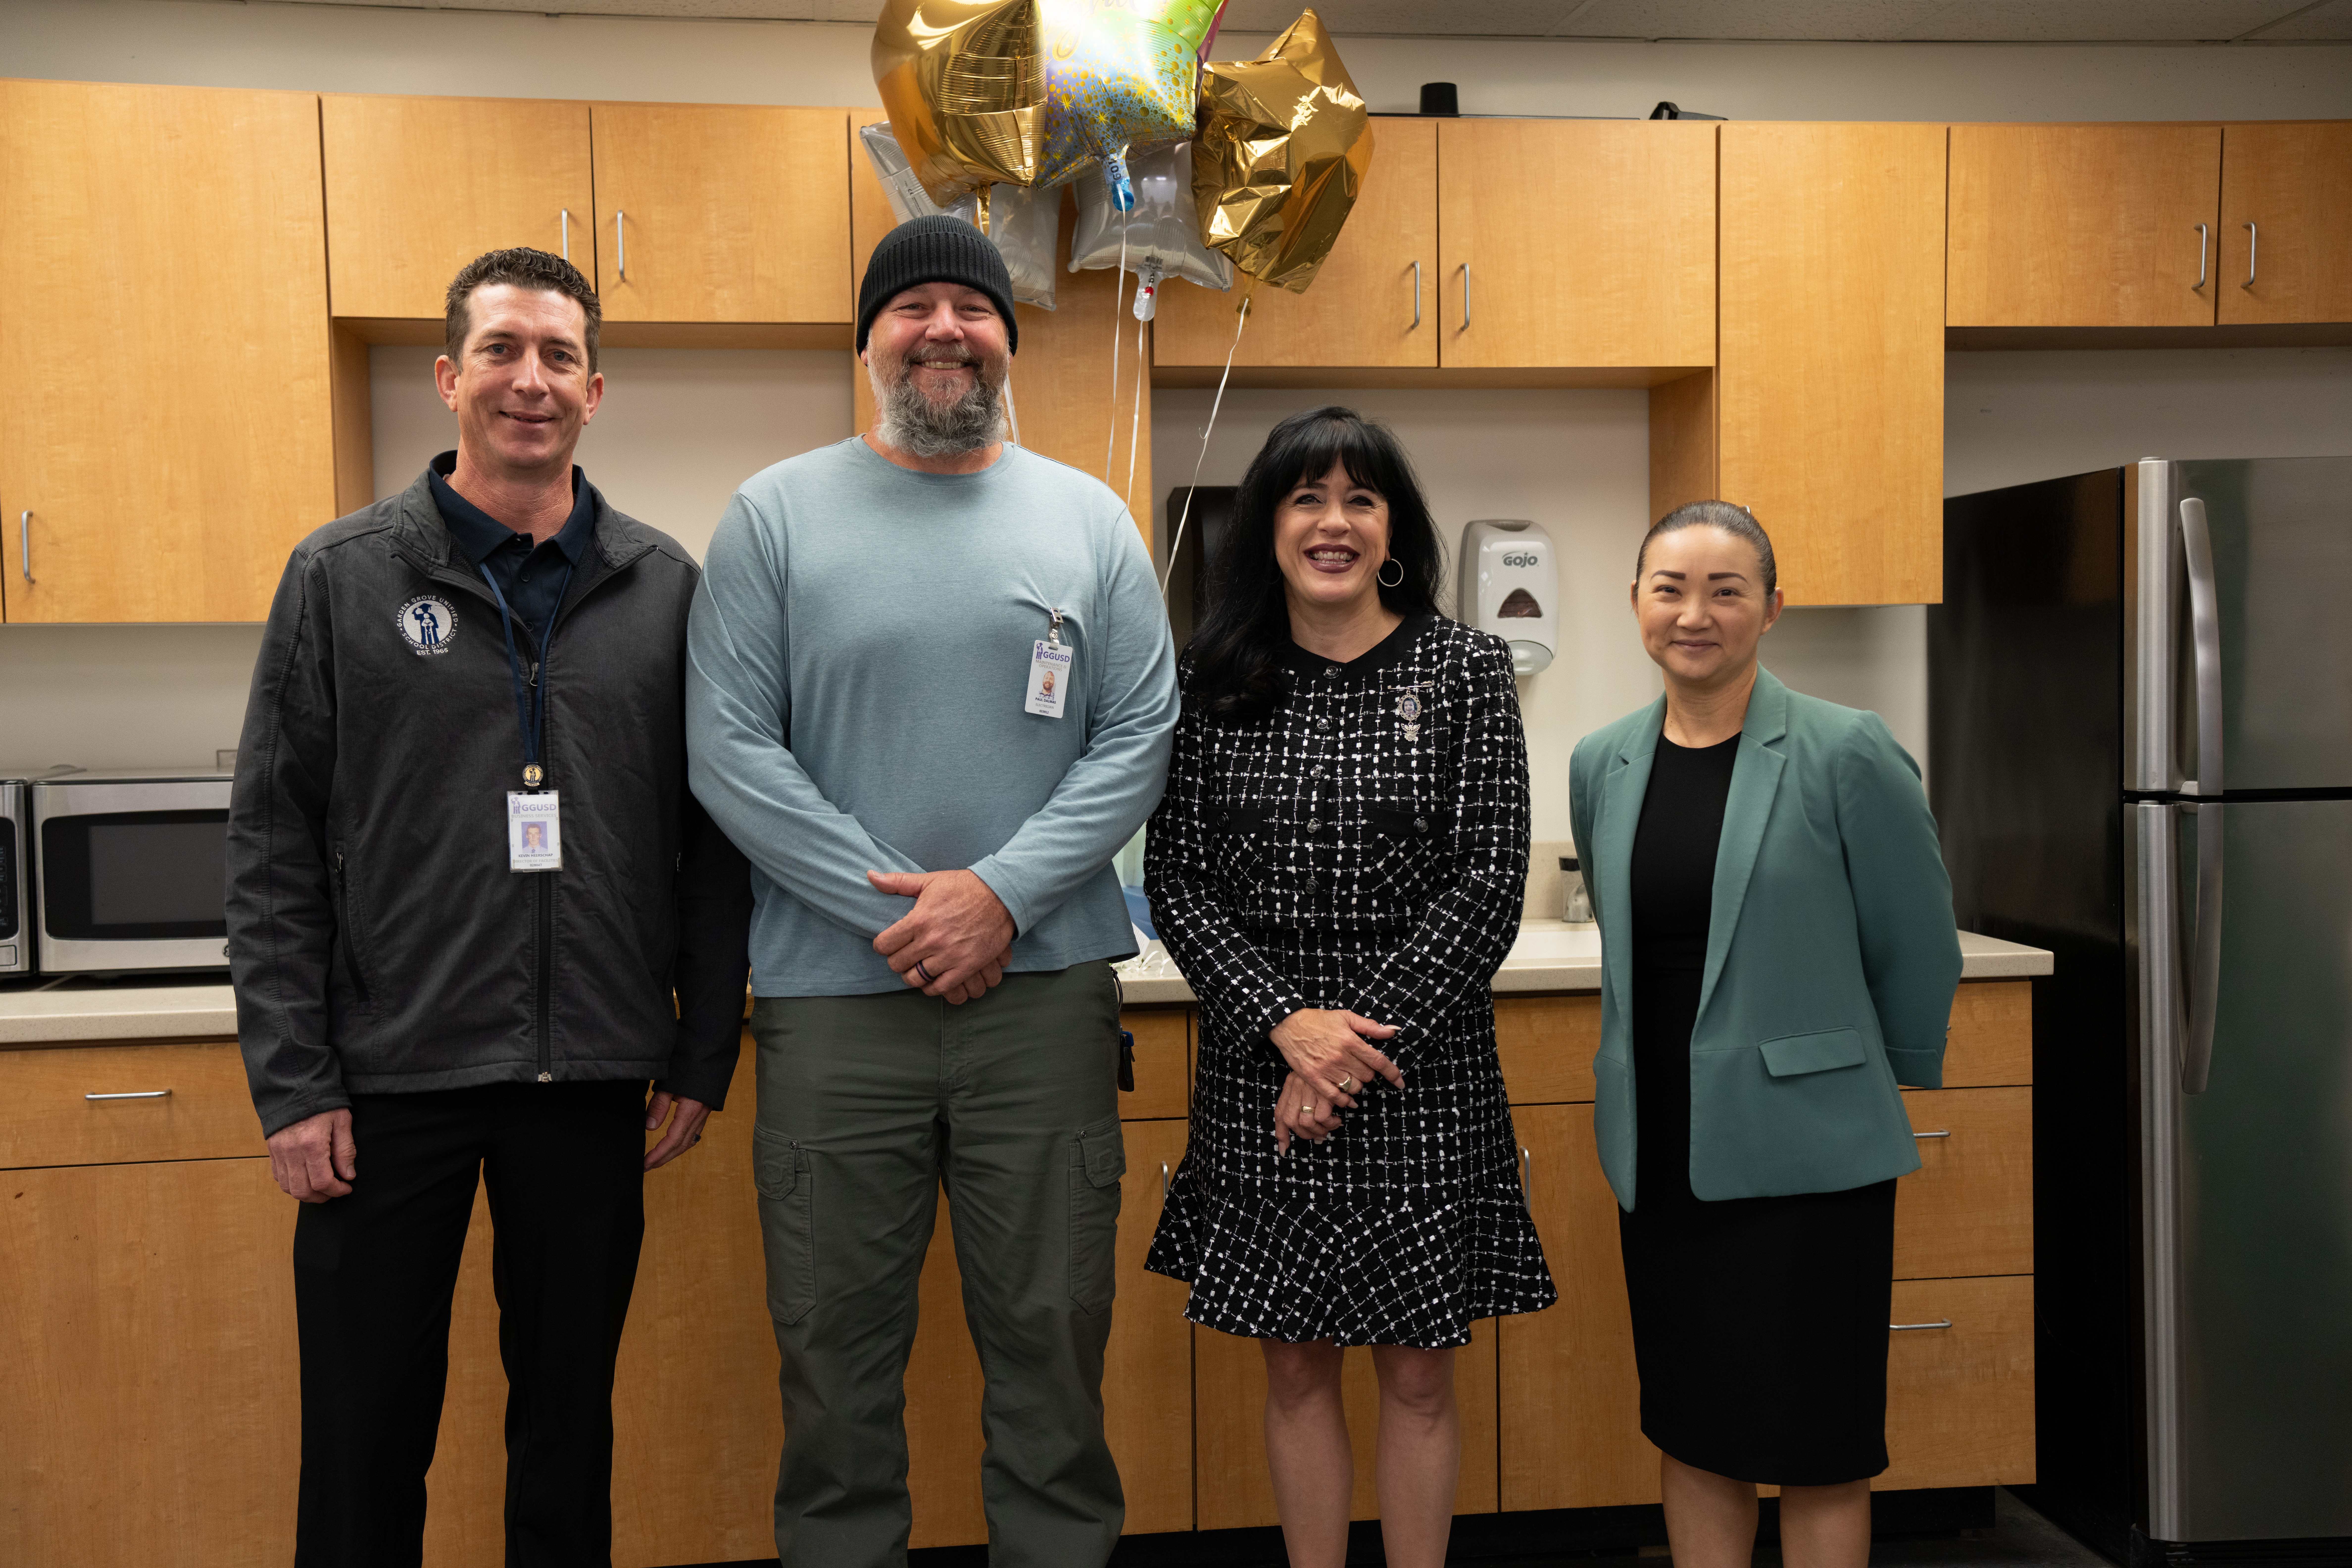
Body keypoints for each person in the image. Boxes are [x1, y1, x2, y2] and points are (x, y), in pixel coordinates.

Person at [225, 247, 752, 1568]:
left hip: (590, 1079)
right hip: (383, 1081)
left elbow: (711, 838)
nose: (532, 380)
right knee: (363, 1433)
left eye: (559, 355)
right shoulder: (341, 577)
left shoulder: (663, 586)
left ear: (595, 389)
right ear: (450, 377)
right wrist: (293, 1086)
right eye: (505, 351)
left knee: (568, 1431)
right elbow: (273, 844)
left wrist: (700, 1047)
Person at [685, 215, 1179, 1568]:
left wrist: (1002, 898)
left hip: (1043, 1007)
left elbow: (1139, 736)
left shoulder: (1090, 519)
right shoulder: (774, 516)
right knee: (835, 1360)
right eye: (914, 311)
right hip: (836, 1010)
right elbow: (730, 752)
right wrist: (910, 913)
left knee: (1054, 1344)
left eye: (974, 307)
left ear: (1010, 342)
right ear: (870, 343)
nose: (945, 329)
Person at [1144, 407, 1555, 1568]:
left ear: (1393, 532)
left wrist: (1345, 1055)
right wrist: (1288, 1029)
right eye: (1306, 498)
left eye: (1360, 500)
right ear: (1268, 526)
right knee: (1293, 1364)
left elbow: (1487, 881)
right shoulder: (1212, 676)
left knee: (1420, 1373)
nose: (1333, 523)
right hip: (1258, 1060)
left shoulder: (1466, 667)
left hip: (1418, 1071)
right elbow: (1176, 880)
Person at [1566, 501, 1963, 1568]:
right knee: (1694, 1428)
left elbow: (1919, 938)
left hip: (1810, 1157)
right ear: (1637, 604)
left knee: (1818, 1443)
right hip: (1663, 1153)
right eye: (1670, 589)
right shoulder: (1603, 762)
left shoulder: (1846, 750)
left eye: (1727, 590)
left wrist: (1883, 1077)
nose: (1695, 614)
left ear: (1772, 608)